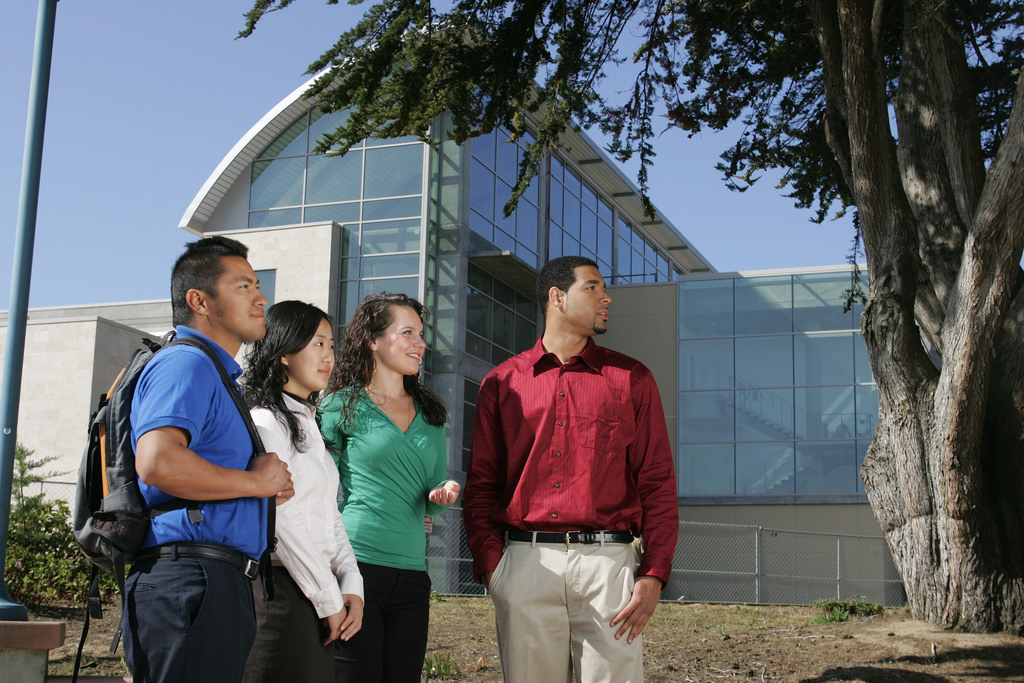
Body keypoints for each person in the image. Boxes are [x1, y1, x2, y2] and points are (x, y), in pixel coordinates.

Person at [464, 255, 679, 683]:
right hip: (526, 564)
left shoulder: (632, 379)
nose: (606, 297)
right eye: (593, 287)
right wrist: (495, 569)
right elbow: (483, 483)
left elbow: (656, 483)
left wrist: (654, 572)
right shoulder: (502, 383)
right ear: (557, 297)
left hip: (609, 566)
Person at [124, 235, 294, 683]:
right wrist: (255, 485)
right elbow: (158, 463)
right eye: (243, 287)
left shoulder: (215, 373)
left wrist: (259, 492)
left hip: (210, 580)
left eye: (258, 285)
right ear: (199, 300)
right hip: (191, 581)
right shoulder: (187, 364)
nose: (261, 299)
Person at [319, 292, 461, 683]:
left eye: (422, 334)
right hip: (355, 567)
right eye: (408, 333)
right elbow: (315, 487)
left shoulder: (432, 415)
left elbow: (431, 494)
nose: (421, 344)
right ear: (373, 340)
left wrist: (442, 493)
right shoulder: (338, 406)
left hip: (414, 574)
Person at [240, 300, 365, 682]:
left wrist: (352, 583)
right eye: (317, 344)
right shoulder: (265, 422)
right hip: (279, 596)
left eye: (331, 345)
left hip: (314, 594)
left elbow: (331, 515)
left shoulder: (308, 422)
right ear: (284, 353)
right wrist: (328, 595)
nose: (329, 356)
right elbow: (282, 520)